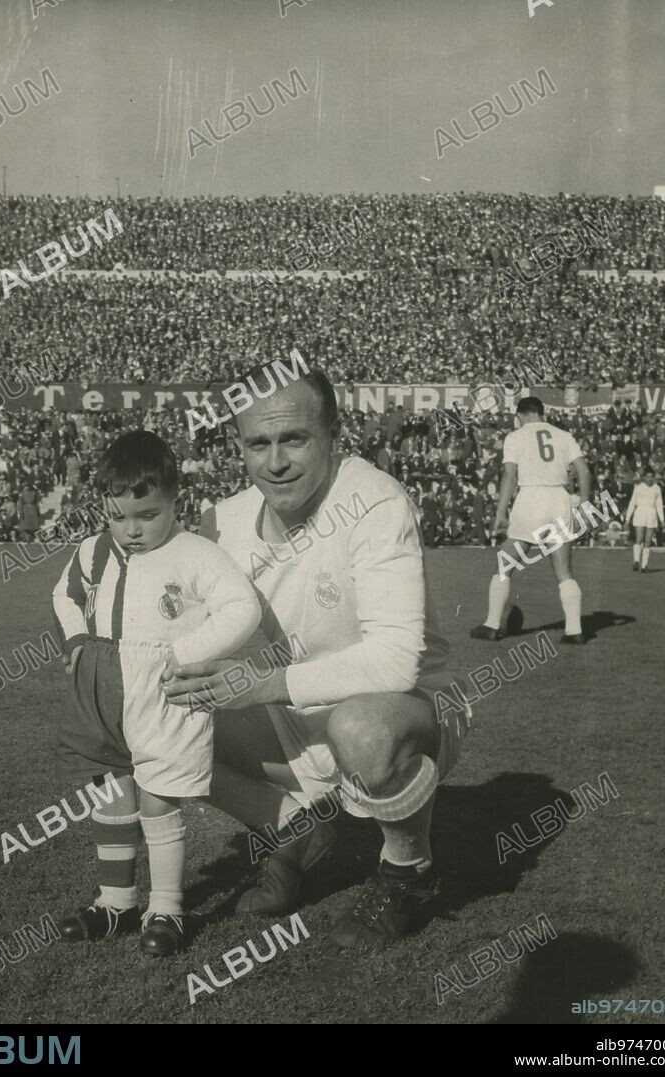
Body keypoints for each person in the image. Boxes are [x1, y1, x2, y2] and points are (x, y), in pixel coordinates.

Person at [161, 364, 470, 947]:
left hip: (405, 711)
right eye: (258, 443)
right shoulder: (219, 523)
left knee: (363, 726)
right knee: (145, 706)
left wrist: (260, 684)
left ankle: (409, 871)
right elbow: (178, 630)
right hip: (293, 719)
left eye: (294, 439)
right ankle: (292, 830)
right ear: (239, 447)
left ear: (333, 435)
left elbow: (397, 661)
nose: (275, 461)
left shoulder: (373, 501)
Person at [52, 431, 260, 957]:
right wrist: (77, 638)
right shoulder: (92, 551)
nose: (131, 529)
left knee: (158, 797)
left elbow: (242, 608)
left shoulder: (195, 553)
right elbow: (66, 594)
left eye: (146, 514)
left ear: (175, 502)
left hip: (163, 688)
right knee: (112, 795)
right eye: (118, 515)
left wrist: (187, 651)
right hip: (103, 684)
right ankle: (115, 901)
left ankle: (166, 907)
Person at [470, 396, 591, 645]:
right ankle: (574, 630)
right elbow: (584, 471)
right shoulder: (563, 435)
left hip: (531, 497)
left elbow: (510, 477)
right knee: (564, 571)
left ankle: (492, 625)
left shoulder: (515, 437)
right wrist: (585, 504)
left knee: (505, 564)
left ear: (521, 415)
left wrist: (501, 513)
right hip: (559, 497)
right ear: (541, 413)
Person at [625, 467, 664, 572]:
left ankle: (644, 565)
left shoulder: (657, 488)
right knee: (639, 538)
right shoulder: (638, 487)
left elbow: (659, 505)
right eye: (648, 477)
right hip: (640, 513)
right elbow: (632, 503)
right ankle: (636, 561)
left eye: (652, 477)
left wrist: (662, 519)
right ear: (644, 478)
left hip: (651, 514)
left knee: (648, 541)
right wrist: (627, 518)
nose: (650, 479)